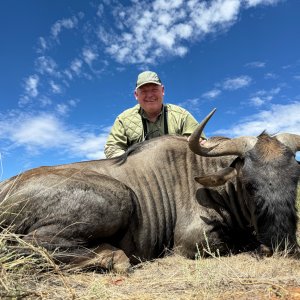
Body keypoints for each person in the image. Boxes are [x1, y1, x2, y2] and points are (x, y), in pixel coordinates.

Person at [104, 71, 206, 158]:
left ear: (162, 91)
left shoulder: (182, 115)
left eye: (154, 90)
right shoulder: (123, 119)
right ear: (136, 95)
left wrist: (198, 143)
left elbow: (199, 143)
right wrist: (131, 165)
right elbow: (112, 148)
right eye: (143, 91)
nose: (149, 95)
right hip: (136, 173)